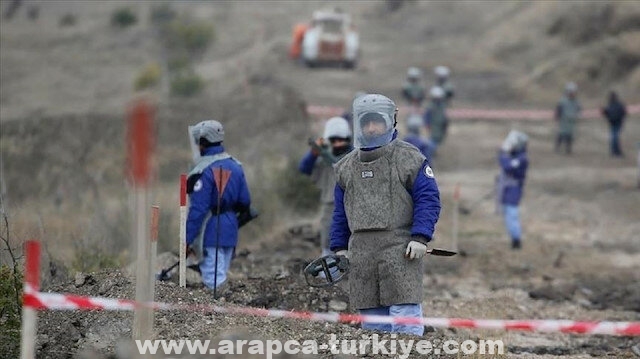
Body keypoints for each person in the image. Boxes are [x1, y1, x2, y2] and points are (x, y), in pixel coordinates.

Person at [330, 94, 441, 336]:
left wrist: (420, 237)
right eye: (366, 122)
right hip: (361, 252)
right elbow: (340, 211)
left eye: (377, 121)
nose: (372, 128)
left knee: (404, 318)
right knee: (373, 326)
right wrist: (339, 247)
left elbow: (428, 199)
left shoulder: (410, 159)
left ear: (390, 122)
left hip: (400, 249)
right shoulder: (345, 168)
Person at [186, 120, 251, 295]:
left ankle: (222, 318)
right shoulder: (236, 165)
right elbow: (245, 201)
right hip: (230, 229)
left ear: (203, 142)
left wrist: (187, 239)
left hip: (210, 230)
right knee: (220, 276)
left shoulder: (204, 170)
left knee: (214, 283)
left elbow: (198, 210)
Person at [299, 117, 353, 255]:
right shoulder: (324, 158)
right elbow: (304, 167)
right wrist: (314, 153)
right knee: (328, 241)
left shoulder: (353, 156)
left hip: (353, 204)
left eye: (341, 140)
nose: (338, 144)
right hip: (330, 203)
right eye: (334, 141)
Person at [497, 130, 529, 250]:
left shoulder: (522, 158)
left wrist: (503, 153)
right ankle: (514, 237)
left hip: (514, 189)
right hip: (507, 189)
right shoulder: (515, 156)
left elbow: (507, 166)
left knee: (512, 214)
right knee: (507, 214)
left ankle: (516, 240)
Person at [555, 82, 581, 155]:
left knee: (570, 135)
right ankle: (558, 147)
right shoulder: (563, 101)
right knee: (562, 134)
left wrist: (578, 115)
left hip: (571, 121)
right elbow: (559, 109)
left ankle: (568, 148)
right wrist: (557, 116)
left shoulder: (576, 101)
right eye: (572, 92)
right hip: (564, 120)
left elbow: (578, 109)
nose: (573, 93)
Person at [423, 86, 449, 156]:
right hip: (434, 127)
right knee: (433, 141)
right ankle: (430, 153)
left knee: (438, 140)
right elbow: (426, 117)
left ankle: (433, 152)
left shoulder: (442, 106)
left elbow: (444, 117)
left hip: (440, 127)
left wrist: (445, 125)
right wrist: (427, 125)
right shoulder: (430, 107)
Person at [601, 91, 627, 157]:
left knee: (614, 137)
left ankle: (614, 151)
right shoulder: (618, 104)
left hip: (614, 123)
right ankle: (616, 151)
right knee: (615, 137)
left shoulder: (610, 105)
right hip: (616, 123)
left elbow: (606, 113)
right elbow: (624, 112)